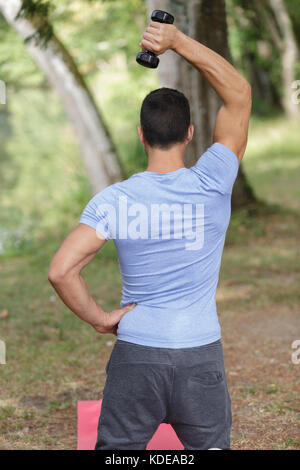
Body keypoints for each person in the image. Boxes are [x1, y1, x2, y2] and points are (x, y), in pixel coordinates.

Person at [48, 20, 252, 450]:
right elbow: (238, 93)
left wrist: (101, 319)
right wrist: (177, 41)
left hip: (137, 354)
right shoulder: (213, 180)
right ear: (190, 135)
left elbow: (62, 271)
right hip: (200, 355)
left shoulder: (113, 201)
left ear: (142, 135)